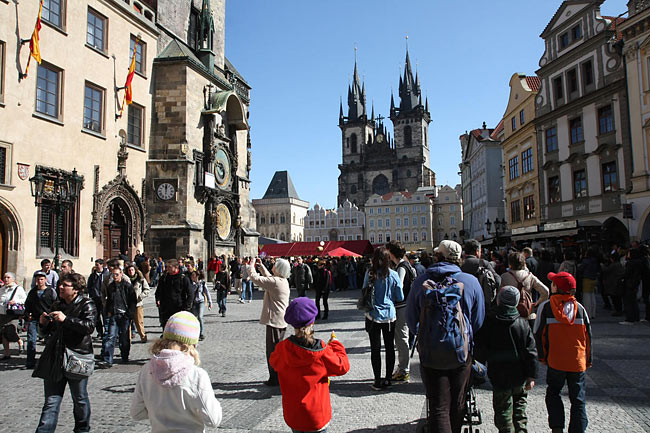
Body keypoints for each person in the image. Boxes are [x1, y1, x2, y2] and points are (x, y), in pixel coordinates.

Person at [406, 240, 485, 433]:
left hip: (430, 351)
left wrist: (426, 334)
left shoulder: (421, 281)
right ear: (460, 258)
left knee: (438, 405)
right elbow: (478, 319)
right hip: (460, 351)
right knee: (458, 401)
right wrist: (463, 335)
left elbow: (411, 318)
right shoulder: (470, 281)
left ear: (437, 256)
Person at [131, 311, 222, 432]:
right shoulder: (196, 375)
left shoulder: (147, 370)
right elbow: (213, 420)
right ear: (192, 345)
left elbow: (137, 413)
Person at [270, 297, 350, 433]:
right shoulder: (321, 350)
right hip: (317, 415)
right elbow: (342, 366)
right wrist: (336, 344)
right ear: (312, 322)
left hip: (294, 415)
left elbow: (274, 362)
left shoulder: (282, 348)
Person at [33, 272, 97, 433]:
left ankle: (82, 428)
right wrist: (43, 324)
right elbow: (45, 333)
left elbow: (89, 326)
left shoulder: (86, 304)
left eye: (65, 285)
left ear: (76, 289)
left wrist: (66, 319)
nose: (60, 287)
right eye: (60, 284)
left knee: (79, 398)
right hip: (56, 357)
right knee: (51, 401)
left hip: (77, 356)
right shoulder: (57, 305)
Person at [534, 272, 592, 433]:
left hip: (556, 360)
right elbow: (588, 337)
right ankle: (578, 429)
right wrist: (588, 359)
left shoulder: (546, 307)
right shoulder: (580, 309)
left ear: (555, 287)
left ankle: (557, 427)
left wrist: (542, 357)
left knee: (553, 393)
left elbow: (539, 334)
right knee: (578, 399)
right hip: (577, 361)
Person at [475, 286, 537, 433]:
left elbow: (481, 349)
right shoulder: (522, 323)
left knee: (503, 409)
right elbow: (531, 352)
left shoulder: (490, 322)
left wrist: (479, 368)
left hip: (498, 374)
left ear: (499, 301)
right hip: (519, 374)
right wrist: (531, 375)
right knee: (520, 407)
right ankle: (520, 430)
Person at [362, 246, 404, 391]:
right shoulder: (394, 275)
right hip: (389, 316)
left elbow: (364, 291)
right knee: (389, 347)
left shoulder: (370, 273)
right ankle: (388, 379)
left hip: (373, 315)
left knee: (375, 349)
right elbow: (400, 296)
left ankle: (377, 380)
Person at [249, 257, 291, 387]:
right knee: (276, 350)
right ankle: (276, 376)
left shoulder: (276, 282)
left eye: (275, 265)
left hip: (274, 321)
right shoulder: (282, 281)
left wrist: (251, 265)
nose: (273, 266)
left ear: (278, 269)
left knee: (272, 351)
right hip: (280, 319)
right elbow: (270, 279)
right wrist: (261, 267)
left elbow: (256, 279)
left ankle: (274, 378)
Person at [385, 240, 416, 383]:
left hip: (402, 307)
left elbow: (399, 286)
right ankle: (402, 368)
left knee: (401, 338)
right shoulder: (406, 265)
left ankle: (404, 370)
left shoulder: (402, 267)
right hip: (406, 306)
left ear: (392, 253)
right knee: (401, 337)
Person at [99, 267, 137, 368]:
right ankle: (108, 360)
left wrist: (128, 315)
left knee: (124, 337)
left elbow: (133, 301)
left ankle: (125, 356)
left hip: (124, 315)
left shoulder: (127, 286)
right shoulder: (111, 286)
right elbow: (109, 300)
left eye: (116, 274)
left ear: (121, 274)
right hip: (114, 315)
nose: (115, 276)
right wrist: (109, 311)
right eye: (113, 275)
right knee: (111, 336)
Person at [500, 252, 549, 322]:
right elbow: (546, 291)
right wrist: (536, 304)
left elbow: (499, 296)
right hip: (528, 313)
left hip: (510, 315)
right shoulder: (529, 276)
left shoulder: (504, 277)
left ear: (510, 264)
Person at [24, 271, 57, 369]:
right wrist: (27, 315)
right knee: (31, 340)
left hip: (48, 319)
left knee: (49, 341)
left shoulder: (51, 291)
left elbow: (56, 304)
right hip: (35, 318)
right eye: (38, 279)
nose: (39, 281)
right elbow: (27, 305)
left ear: (45, 280)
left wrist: (52, 315)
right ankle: (30, 362)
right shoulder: (32, 292)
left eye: (41, 279)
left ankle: (48, 361)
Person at [155, 259, 193, 329]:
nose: (167, 269)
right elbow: (158, 290)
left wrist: (186, 307)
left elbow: (190, 293)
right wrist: (158, 299)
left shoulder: (183, 278)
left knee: (178, 328)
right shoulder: (164, 278)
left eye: (169, 267)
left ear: (176, 267)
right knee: (166, 326)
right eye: (166, 267)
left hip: (179, 307)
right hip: (166, 308)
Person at [1, 272, 27, 360]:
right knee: (3, 332)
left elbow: (24, 300)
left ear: (13, 279)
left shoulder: (18, 289)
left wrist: (15, 301)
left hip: (13, 314)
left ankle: (19, 340)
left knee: (10, 330)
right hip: (2, 313)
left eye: (8, 277)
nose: (6, 279)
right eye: (4, 277)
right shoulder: (2, 289)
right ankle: (7, 353)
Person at [125, 262, 150, 343]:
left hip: (137, 304)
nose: (130, 272)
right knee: (127, 323)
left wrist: (140, 296)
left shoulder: (140, 279)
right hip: (127, 305)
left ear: (135, 270)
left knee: (139, 322)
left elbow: (147, 290)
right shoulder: (125, 279)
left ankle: (143, 337)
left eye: (132, 270)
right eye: (129, 270)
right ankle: (127, 340)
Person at [87, 259, 109, 340]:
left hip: (104, 298)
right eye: (95, 265)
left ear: (102, 265)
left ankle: (107, 333)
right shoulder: (93, 276)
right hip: (95, 298)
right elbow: (89, 286)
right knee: (96, 317)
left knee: (105, 316)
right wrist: (91, 294)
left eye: (97, 265)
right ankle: (100, 333)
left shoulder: (107, 274)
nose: (96, 266)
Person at [190, 271, 212, 341]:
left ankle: (201, 333)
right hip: (194, 302)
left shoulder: (202, 283)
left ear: (197, 276)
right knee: (194, 318)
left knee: (200, 316)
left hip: (201, 302)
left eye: (193, 275)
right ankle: (194, 333)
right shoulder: (191, 284)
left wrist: (210, 302)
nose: (192, 277)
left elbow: (207, 292)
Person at [601, 252, 624, 317]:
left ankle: (618, 310)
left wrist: (602, 265)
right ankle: (619, 310)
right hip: (617, 282)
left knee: (615, 298)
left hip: (614, 283)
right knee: (617, 298)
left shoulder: (614, 265)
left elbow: (606, 270)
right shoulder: (618, 264)